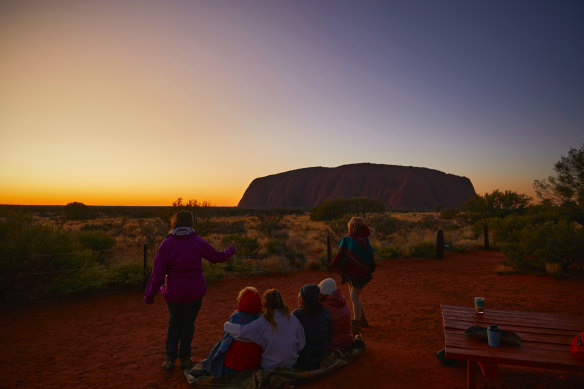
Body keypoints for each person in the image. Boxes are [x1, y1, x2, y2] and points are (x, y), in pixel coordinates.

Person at [144, 210, 236, 371]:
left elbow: (157, 273)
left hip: (174, 292)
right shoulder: (197, 241)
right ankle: (186, 359)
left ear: (174, 223)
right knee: (188, 324)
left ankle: (170, 359)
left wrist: (149, 295)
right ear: (191, 223)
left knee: (174, 323)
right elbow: (216, 257)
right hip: (194, 291)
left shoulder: (166, 244)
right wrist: (230, 250)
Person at [223, 289, 305, 369]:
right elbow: (301, 344)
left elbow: (241, 332)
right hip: (291, 363)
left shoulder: (264, 321)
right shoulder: (292, 318)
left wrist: (227, 325)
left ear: (265, 303)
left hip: (270, 366)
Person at [330, 216, 375, 334]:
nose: (350, 227)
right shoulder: (359, 239)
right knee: (354, 296)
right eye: (350, 225)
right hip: (354, 272)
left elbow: (366, 255)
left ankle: (356, 323)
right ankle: (363, 319)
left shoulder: (357, 239)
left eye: (353, 225)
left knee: (354, 297)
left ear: (358, 227)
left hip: (359, 273)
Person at [205, 287, 263, 377]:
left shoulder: (235, 317)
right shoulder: (262, 320)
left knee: (225, 340)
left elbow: (225, 341)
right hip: (253, 365)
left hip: (232, 367)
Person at [293, 284, 332, 370]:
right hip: (323, 354)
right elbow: (330, 336)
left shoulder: (297, 314)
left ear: (304, 299)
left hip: (306, 358)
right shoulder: (325, 312)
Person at [318, 278, 352, 351]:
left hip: (335, 344)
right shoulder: (342, 301)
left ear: (323, 293)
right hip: (348, 341)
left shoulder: (325, 307)